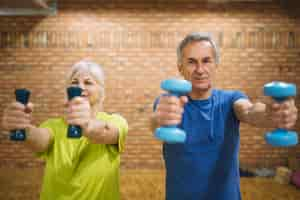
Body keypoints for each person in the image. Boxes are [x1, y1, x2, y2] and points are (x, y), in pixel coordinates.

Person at [151, 32, 298, 200]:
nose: (200, 70)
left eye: (206, 61)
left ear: (216, 65)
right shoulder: (170, 103)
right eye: (191, 62)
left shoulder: (231, 100)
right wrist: (158, 119)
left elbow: (250, 111)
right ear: (180, 67)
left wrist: (272, 113)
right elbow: (156, 122)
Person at [2, 60, 128, 200]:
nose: (80, 87)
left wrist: (86, 125)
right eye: (74, 82)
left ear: (101, 91)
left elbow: (105, 132)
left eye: (88, 82)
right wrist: (24, 128)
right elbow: (40, 139)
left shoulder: (116, 121)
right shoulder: (53, 125)